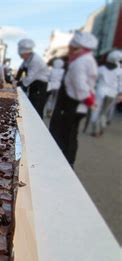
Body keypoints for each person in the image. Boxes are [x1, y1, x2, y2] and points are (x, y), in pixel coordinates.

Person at [49, 31, 98, 167]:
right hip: (76, 103)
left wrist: (88, 101)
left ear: (78, 48)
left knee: (66, 133)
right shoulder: (85, 59)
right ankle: (66, 160)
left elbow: (80, 85)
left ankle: (66, 163)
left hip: (72, 103)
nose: (69, 49)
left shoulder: (80, 62)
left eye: (71, 46)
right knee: (69, 133)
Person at [90, 50, 122, 137]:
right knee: (104, 112)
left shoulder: (101, 69)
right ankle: (101, 127)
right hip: (112, 94)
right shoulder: (120, 71)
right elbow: (120, 84)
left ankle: (95, 130)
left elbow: (93, 81)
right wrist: (120, 94)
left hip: (100, 91)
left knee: (96, 110)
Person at [16, 38, 50, 118]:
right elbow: (21, 69)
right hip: (34, 85)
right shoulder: (28, 59)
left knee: (36, 108)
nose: (20, 56)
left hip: (40, 86)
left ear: (26, 53)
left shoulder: (35, 60)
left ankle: (38, 127)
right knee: (31, 104)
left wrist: (18, 84)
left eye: (21, 55)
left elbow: (29, 78)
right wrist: (16, 78)